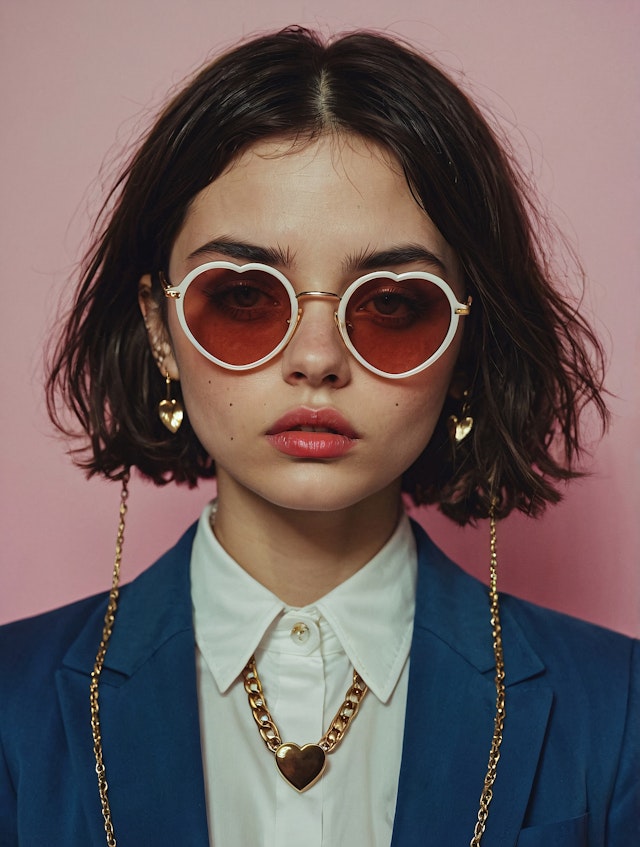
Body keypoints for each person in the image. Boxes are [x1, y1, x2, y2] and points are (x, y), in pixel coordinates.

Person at [0, 26, 637, 847]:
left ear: (466, 341)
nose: (316, 360)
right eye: (244, 296)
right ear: (160, 327)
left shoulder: (618, 710)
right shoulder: (13, 705)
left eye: (393, 304)